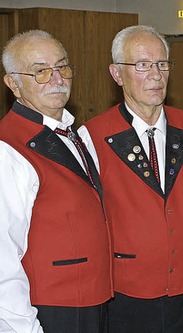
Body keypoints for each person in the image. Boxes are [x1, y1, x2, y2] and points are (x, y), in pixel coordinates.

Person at [78, 25, 183, 333]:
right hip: (121, 296)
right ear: (117, 74)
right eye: (143, 65)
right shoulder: (92, 136)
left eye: (162, 64)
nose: (156, 75)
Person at [0, 30, 111, 333]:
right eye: (40, 71)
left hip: (93, 301)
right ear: (13, 83)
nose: (57, 78)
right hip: (47, 310)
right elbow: (3, 259)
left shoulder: (70, 132)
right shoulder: (6, 148)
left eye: (62, 67)